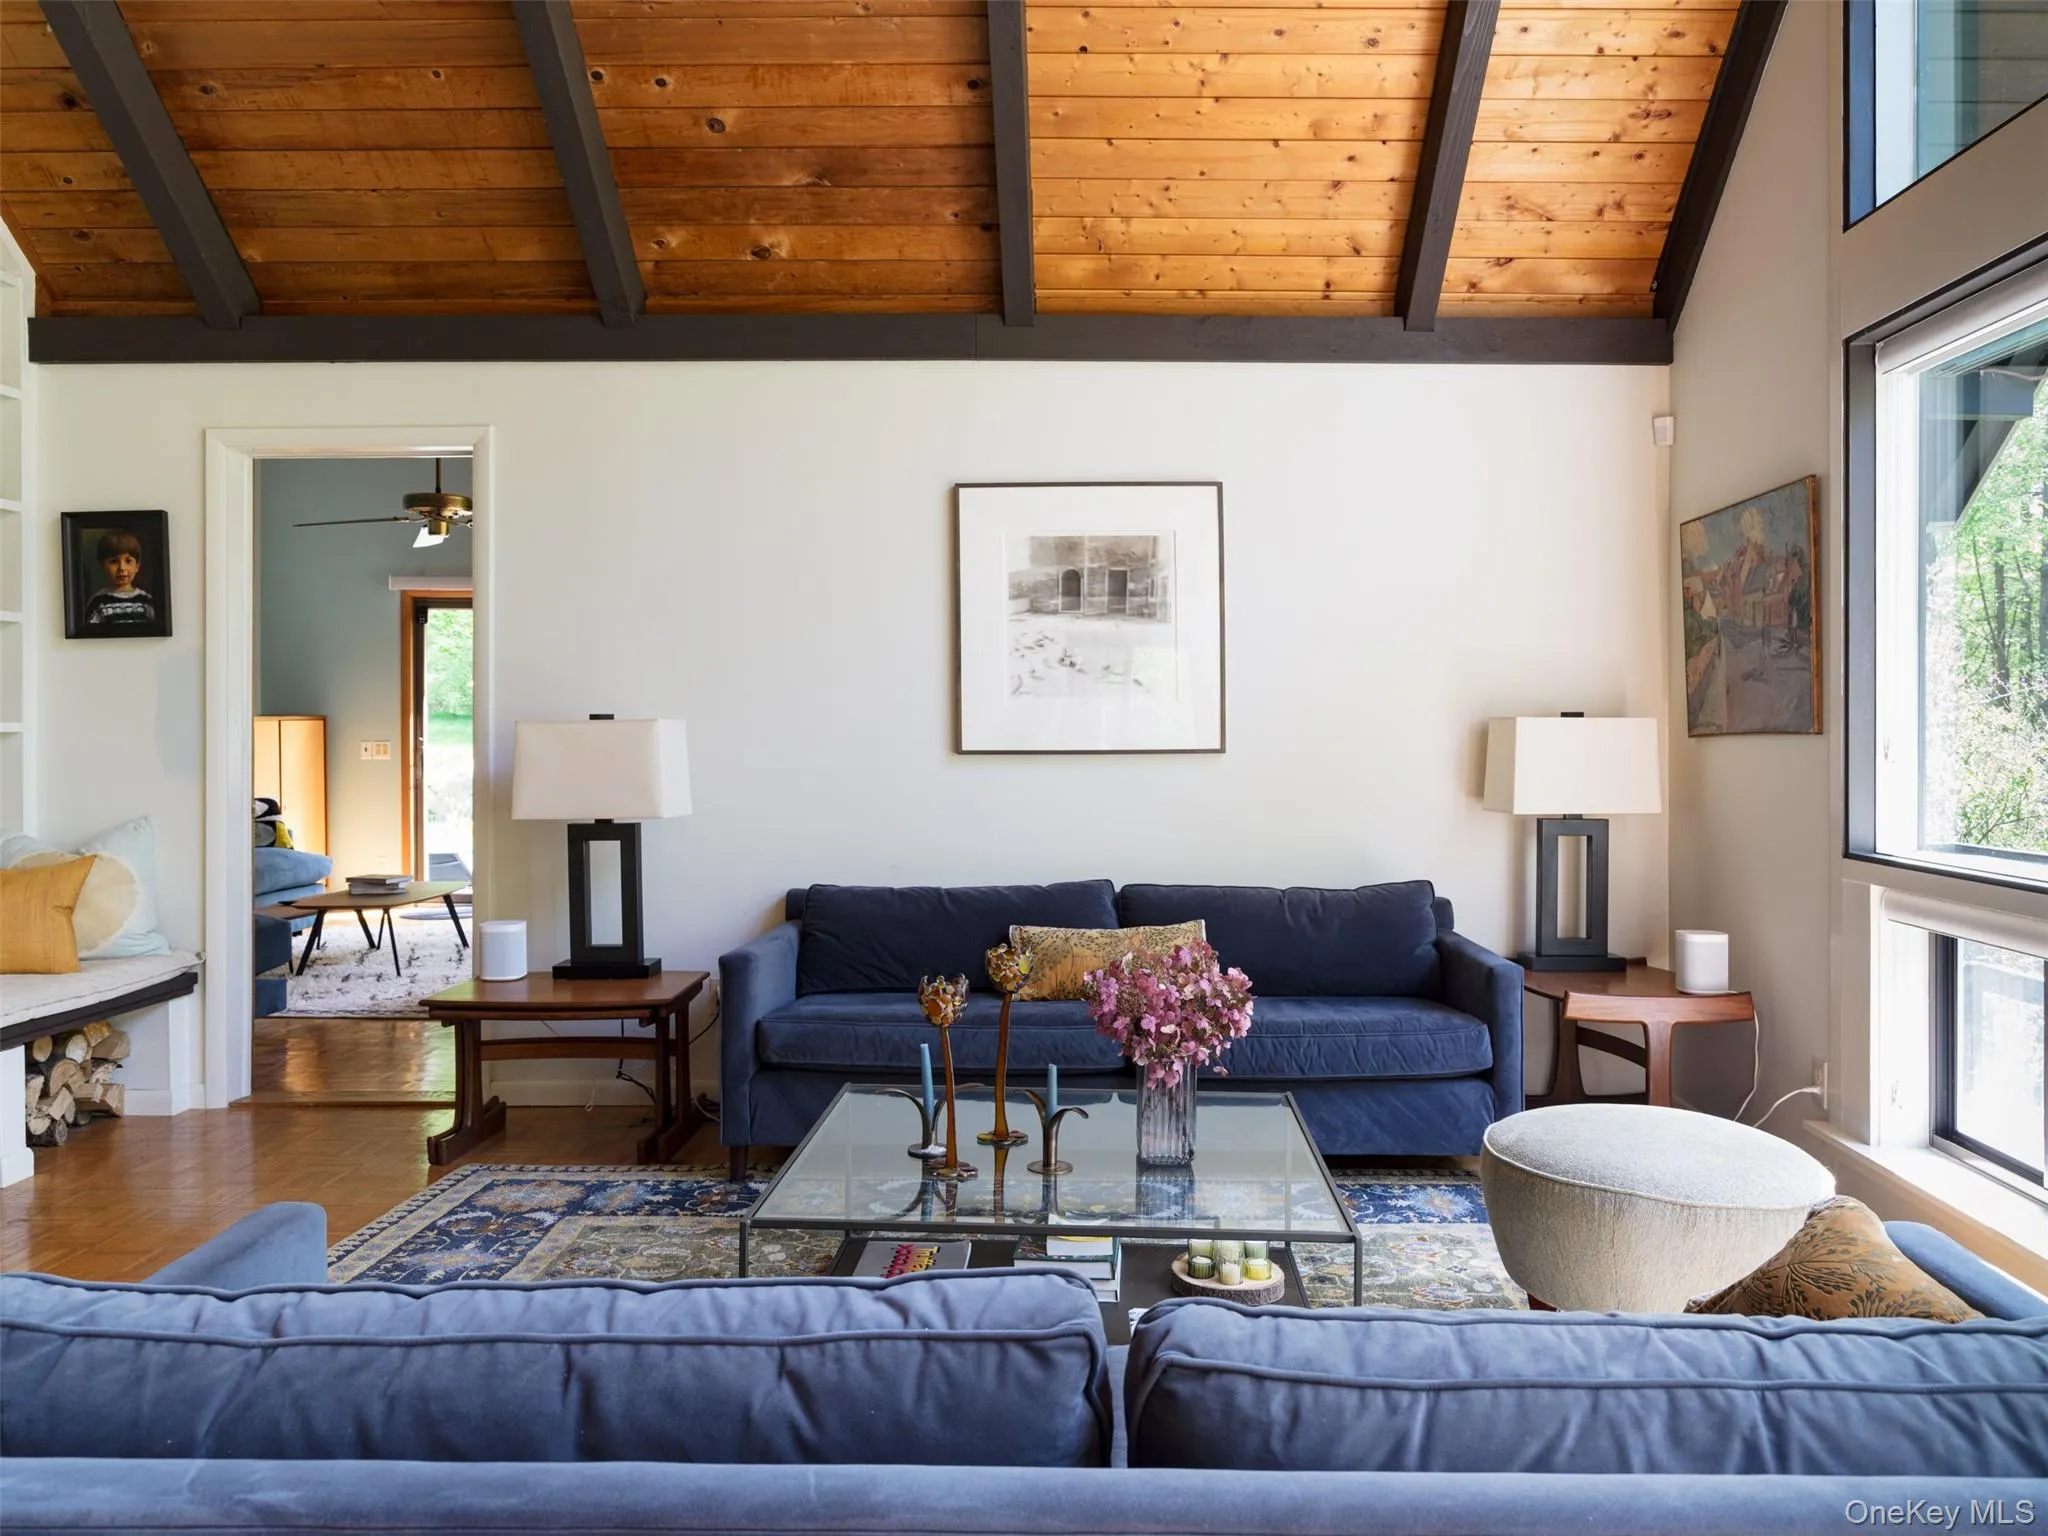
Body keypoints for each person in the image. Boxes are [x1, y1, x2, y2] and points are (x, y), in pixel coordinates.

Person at [83, 530, 156, 628]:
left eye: (128, 561)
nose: (122, 568)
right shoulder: (98, 601)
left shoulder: (146, 600)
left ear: (137, 566)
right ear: (102, 566)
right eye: (114, 561)